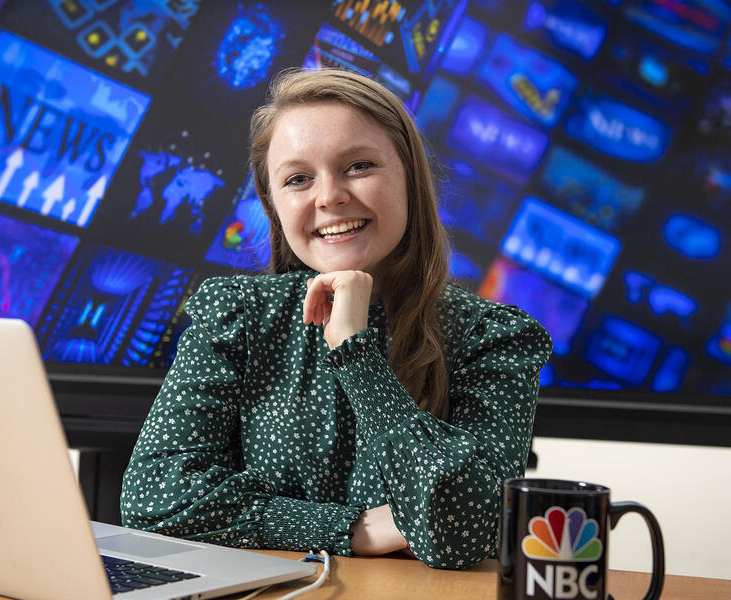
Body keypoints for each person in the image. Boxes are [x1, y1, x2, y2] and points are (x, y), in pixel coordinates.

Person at [121, 68, 552, 570]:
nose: (328, 197)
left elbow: (471, 532)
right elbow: (153, 500)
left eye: (359, 165)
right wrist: (358, 529)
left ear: (410, 180)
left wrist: (355, 353)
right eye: (298, 178)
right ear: (274, 204)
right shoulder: (236, 316)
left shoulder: (492, 339)